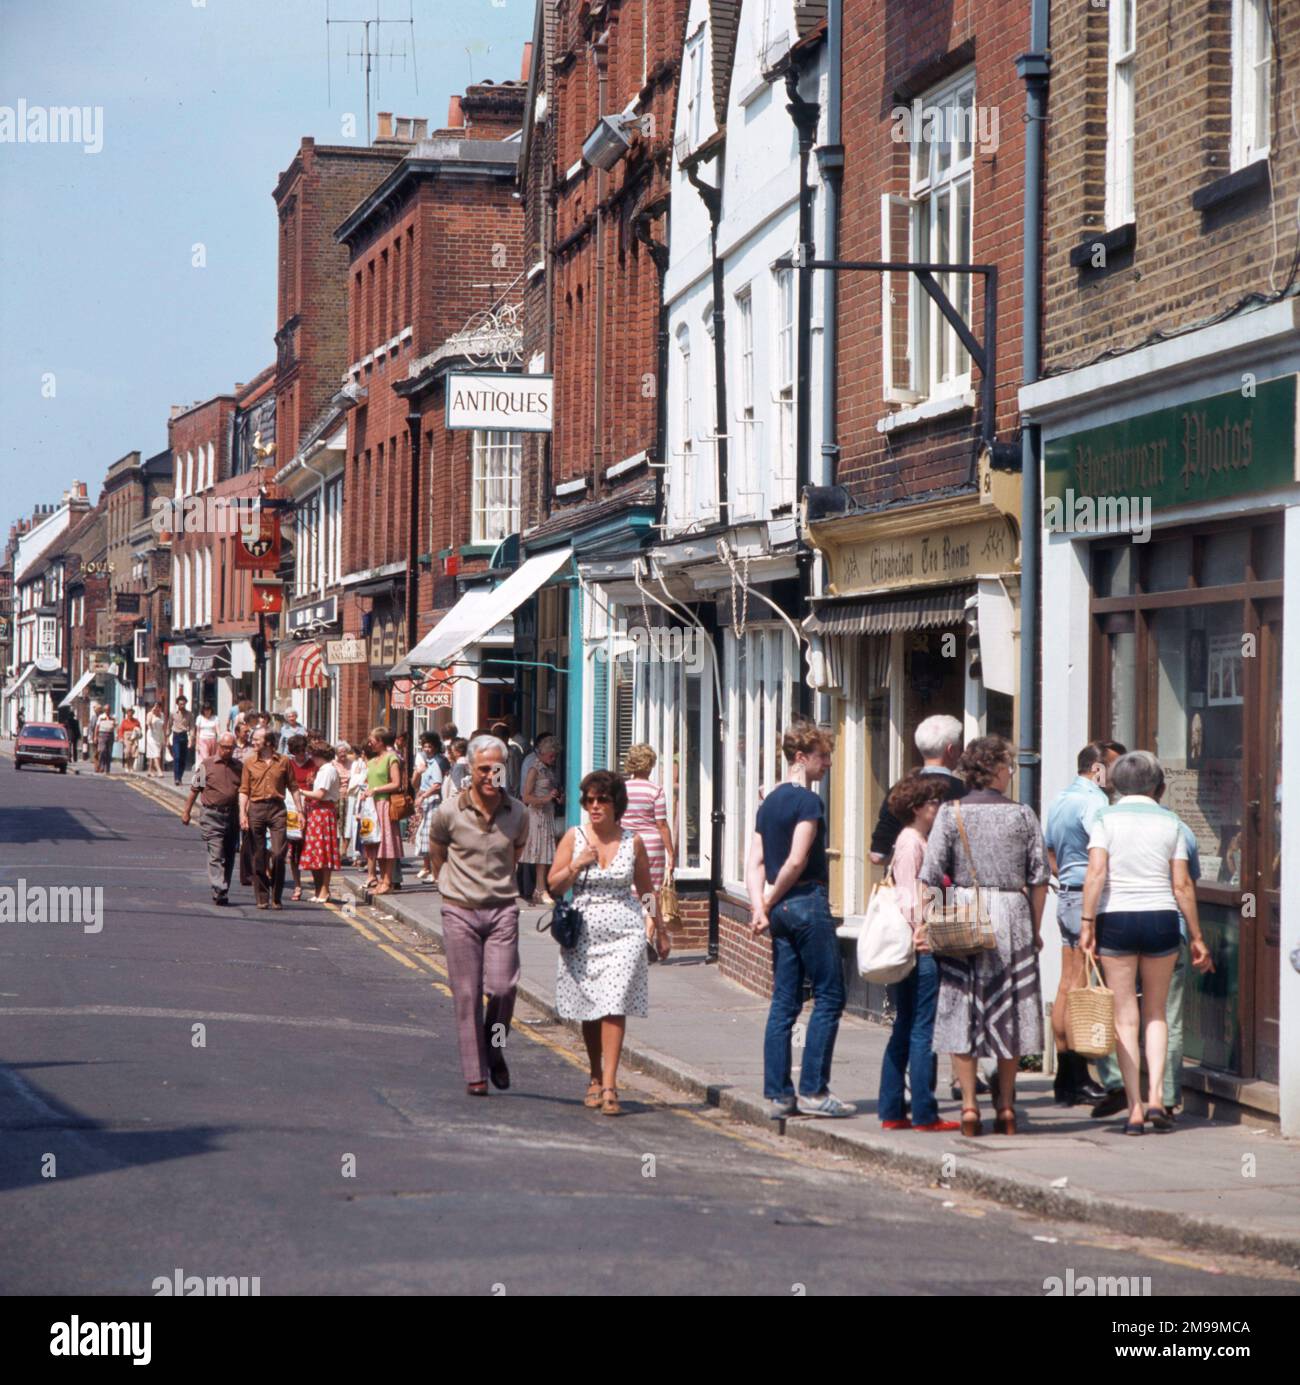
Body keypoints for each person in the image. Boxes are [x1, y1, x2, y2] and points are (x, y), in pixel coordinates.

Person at [919, 735, 1048, 1137]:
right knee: (1009, 1011)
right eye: (1007, 766)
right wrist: (1035, 929)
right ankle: (1007, 1107)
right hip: (1012, 915)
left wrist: (936, 917)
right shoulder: (1023, 815)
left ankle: (971, 1107)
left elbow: (931, 875)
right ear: (993, 770)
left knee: (963, 1008)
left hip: (964, 914)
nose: (1011, 772)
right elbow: (1039, 877)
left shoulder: (949, 813)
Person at [1079, 751, 1214, 1134]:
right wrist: (1198, 935)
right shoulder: (1171, 821)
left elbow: (1096, 873)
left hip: (1116, 918)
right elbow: (1182, 884)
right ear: (1157, 786)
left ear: (1116, 784)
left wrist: (1087, 922)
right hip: (1161, 918)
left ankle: (1134, 1109)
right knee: (1156, 1013)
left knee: (1125, 1015)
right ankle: (1158, 1098)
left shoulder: (1105, 817)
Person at [551, 769, 669, 1116]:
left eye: (602, 799)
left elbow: (646, 891)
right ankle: (593, 1073)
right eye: (589, 800)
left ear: (617, 803)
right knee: (591, 1007)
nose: (595, 805)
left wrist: (658, 928)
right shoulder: (574, 838)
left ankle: (611, 1084)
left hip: (625, 931)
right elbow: (553, 886)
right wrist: (577, 865)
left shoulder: (633, 841)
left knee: (614, 1003)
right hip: (584, 933)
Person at [748, 721, 850, 1120]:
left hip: (781, 914)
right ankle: (813, 1091)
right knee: (830, 996)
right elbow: (796, 859)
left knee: (784, 1002)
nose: (827, 764)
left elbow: (755, 861)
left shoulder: (768, 802)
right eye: (822, 756)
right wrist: (769, 901)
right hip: (806, 901)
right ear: (800, 757)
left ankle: (778, 1095)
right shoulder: (808, 802)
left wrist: (760, 907)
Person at [427, 734, 530, 1097]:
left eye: (496, 769)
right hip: (459, 911)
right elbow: (436, 849)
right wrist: (446, 884)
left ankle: (495, 1046)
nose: (490, 775)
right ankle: (476, 1072)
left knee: (504, 987)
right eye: (483, 769)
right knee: (467, 994)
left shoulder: (518, 812)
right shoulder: (449, 812)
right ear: (470, 769)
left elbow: (515, 852)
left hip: (502, 909)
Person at [1043, 740, 1127, 1105]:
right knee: (1085, 989)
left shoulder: (1061, 799)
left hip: (1067, 893)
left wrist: (1067, 878)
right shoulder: (1095, 801)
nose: (1117, 776)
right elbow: (1103, 852)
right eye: (1114, 767)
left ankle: (1066, 1077)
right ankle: (1077, 1077)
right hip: (1087, 898)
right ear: (1097, 769)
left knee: (1068, 985)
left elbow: (1049, 851)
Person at [877, 772, 960, 1132]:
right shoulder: (912, 842)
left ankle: (893, 1110)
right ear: (916, 808)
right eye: (933, 803)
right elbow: (910, 897)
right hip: (921, 946)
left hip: (916, 944)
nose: (938, 808)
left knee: (906, 1026)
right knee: (921, 1029)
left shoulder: (914, 839)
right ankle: (924, 1113)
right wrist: (923, 929)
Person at [870, 714, 967, 864]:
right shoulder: (966, 792)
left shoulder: (900, 790)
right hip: (949, 885)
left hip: (906, 885)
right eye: (960, 748)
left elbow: (877, 854)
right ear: (951, 750)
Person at [238, 727, 301, 911]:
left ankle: (277, 896)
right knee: (258, 854)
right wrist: (242, 813)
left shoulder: (284, 762)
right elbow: (244, 790)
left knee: (279, 854)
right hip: (256, 809)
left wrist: (300, 811)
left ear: (268, 742)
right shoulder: (249, 763)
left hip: (277, 809)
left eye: (257, 738)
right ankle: (262, 896)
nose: (253, 741)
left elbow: (294, 787)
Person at [180, 732, 243, 905]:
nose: (228, 751)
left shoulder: (239, 767)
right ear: (218, 746)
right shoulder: (206, 765)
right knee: (216, 852)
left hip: (232, 815)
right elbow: (194, 790)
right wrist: (186, 812)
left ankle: (222, 890)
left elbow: (245, 793)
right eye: (225, 747)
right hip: (211, 814)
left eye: (231, 748)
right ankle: (219, 885)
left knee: (229, 853)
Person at [621, 744, 674, 893]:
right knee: (650, 888)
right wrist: (671, 852)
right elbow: (661, 824)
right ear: (650, 765)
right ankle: (649, 914)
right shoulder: (656, 791)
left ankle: (631, 914)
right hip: (652, 845)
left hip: (627, 842)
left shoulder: (621, 789)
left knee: (628, 885)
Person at [298, 741, 342, 903]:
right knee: (317, 851)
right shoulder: (322, 770)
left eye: (313, 755)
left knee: (323, 851)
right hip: (317, 812)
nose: (311, 758)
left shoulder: (327, 770)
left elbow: (320, 794)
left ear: (319, 755)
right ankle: (319, 890)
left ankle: (324, 890)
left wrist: (300, 791)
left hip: (323, 812)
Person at [521, 735, 561, 904]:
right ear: (543, 753)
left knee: (544, 854)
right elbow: (526, 797)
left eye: (555, 756)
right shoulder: (534, 769)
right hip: (537, 815)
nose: (553, 759)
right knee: (539, 854)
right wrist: (546, 799)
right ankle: (540, 889)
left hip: (548, 814)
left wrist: (558, 798)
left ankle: (540, 888)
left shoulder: (550, 770)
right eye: (551, 756)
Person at [362, 727, 402, 895]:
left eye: (372, 739)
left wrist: (376, 789)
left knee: (388, 843)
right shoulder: (371, 761)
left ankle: (387, 881)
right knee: (376, 844)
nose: (370, 742)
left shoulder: (391, 758)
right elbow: (368, 782)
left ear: (381, 741)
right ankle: (380, 879)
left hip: (385, 804)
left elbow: (396, 783)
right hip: (372, 806)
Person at [284, 734, 316, 901]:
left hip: (310, 809)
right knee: (294, 850)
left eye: (303, 751)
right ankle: (297, 884)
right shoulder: (288, 765)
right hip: (292, 809)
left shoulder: (314, 765)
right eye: (298, 751)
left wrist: (313, 783)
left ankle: (318, 886)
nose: (301, 754)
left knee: (311, 847)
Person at [413, 745, 445, 882]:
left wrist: (423, 796)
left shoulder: (436, 763)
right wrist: (418, 772)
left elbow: (437, 784)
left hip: (434, 802)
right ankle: (432, 870)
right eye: (424, 746)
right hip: (427, 802)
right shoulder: (428, 765)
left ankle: (435, 872)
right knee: (425, 837)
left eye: (429, 746)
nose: (426, 749)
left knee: (431, 838)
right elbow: (414, 784)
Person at [342, 743, 368, 866]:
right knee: (353, 826)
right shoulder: (356, 764)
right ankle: (356, 854)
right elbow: (355, 779)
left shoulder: (365, 764)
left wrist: (356, 779)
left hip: (362, 796)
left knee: (361, 826)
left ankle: (362, 855)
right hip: (355, 797)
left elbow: (360, 779)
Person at [170, 697, 194, 786]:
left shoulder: (190, 714)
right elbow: (169, 725)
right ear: (177, 704)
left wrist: (191, 740)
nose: (182, 705)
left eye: (183, 704)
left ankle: (180, 777)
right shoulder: (173, 713)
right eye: (180, 704)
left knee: (183, 759)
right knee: (177, 757)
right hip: (176, 736)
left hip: (184, 736)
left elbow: (192, 728)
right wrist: (166, 737)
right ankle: (176, 778)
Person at [94, 706, 117, 774]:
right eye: (106, 710)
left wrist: (117, 735)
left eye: (109, 709)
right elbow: (97, 727)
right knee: (102, 750)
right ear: (104, 710)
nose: (108, 711)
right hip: (102, 734)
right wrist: (95, 736)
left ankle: (107, 768)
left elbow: (116, 726)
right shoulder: (101, 717)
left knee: (109, 752)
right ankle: (101, 766)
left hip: (110, 734)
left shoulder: (113, 717)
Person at [118, 707, 142, 773]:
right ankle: (126, 765)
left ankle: (131, 766)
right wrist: (121, 738)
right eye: (128, 712)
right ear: (127, 713)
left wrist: (138, 732)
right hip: (127, 737)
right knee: (127, 751)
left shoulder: (136, 721)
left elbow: (139, 728)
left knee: (133, 752)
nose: (130, 714)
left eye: (131, 712)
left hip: (134, 737)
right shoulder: (124, 721)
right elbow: (121, 730)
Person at [145, 703, 166, 776]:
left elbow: (163, 726)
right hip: (151, 736)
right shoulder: (150, 714)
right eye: (155, 707)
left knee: (154, 753)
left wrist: (164, 738)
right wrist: (152, 712)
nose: (157, 709)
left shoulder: (162, 715)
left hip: (159, 735)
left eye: (158, 707)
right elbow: (148, 723)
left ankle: (150, 770)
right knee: (156, 753)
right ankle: (159, 771)